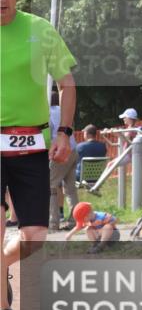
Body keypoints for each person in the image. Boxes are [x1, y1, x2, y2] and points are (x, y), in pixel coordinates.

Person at [0, 0, 77, 310]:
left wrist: (64, 131)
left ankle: (2, 270)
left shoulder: (39, 30)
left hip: (32, 141)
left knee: (34, 236)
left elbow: (67, 84)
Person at [48, 90, 78, 231]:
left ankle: (53, 222)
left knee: (50, 186)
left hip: (59, 151)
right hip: (73, 149)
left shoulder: (48, 112)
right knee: (70, 189)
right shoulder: (65, 111)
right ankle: (74, 220)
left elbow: (48, 134)